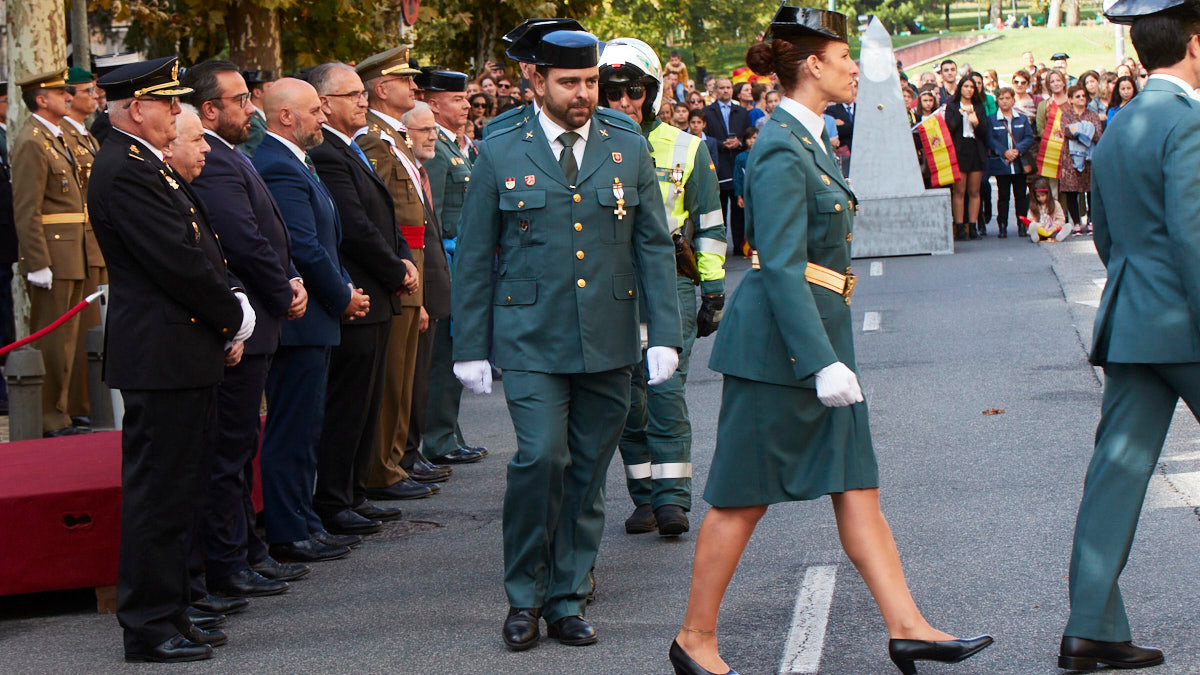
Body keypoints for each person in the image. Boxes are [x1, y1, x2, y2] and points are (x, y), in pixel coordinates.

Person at [672, 8, 992, 675]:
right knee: (741, 495)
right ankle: (695, 639)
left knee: (856, 484)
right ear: (811, 64)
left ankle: (907, 625)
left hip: (818, 333)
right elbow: (781, 264)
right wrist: (820, 361)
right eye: (844, 55)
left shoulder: (812, 138)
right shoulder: (782, 146)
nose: (854, 66)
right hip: (782, 349)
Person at [452, 22, 682, 651]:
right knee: (539, 458)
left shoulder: (625, 143)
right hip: (530, 337)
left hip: (608, 335)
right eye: (569, 82)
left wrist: (665, 332)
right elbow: (475, 254)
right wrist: (470, 345)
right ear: (537, 80)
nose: (583, 93)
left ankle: (568, 597)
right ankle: (523, 597)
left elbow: (652, 244)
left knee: (586, 472)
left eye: (589, 81)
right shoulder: (500, 146)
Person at [90, 55, 253, 663]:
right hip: (162, 353)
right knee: (158, 495)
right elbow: (176, 261)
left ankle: (172, 612)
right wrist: (234, 313)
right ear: (138, 109)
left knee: (176, 491)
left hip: (180, 349)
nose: (179, 114)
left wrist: (227, 305)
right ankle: (149, 624)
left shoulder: (140, 164)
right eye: (170, 104)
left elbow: (195, 247)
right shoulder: (124, 169)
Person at [1060, 1, 1200, 668]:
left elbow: (1109, 240)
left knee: (1115, 475)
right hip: (1183, 323)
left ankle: (1090, 623)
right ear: (1194, 45)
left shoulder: (1120, 125)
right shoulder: (1186, 121)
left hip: (1131, 320)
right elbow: (1193, 237)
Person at [182, 60, 311, 598]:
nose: (249, 107)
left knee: (239, 447)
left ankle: (246, 551)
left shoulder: (229, 153)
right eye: (239, 100)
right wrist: (283, 291)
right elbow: (241, 238)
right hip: (245, 320)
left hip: (260, 314)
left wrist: (293, 276)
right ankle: (229, 562)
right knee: (229, 449)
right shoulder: (210, 159)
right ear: (209, 109)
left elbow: (270, 231)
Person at [600, 37, 726, 537]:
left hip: (670, 278)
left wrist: (713, 290)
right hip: (610, 283)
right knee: (626, 393)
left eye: (634, 91)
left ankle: (673, 499)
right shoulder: (589, 149)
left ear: (652, 93)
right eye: (613, 92)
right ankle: (645, 497)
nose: (624, 101)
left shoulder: (688, 146)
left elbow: (712, 224)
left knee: (664, 388)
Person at [254, 78, 364, 565]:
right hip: (302, 321)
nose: (322, 117)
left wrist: (341, 288)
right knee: (291, 429)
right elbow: (303, 244)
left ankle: (305, 521)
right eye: (314, 111)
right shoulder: (278, 166)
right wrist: (341, 295)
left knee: (308, 426)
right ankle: (288, 530)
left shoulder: (297, 161)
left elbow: (325, 237)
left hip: (315, 318)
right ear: (285, 117)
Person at [307, 62, 418, 535]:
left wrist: (403, 259)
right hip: (357, 293)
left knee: (367, 401)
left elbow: (384, 216)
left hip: (377, 290)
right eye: (352, 95)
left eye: (361, 93)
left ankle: (353, 491)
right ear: (325, 104)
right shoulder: (330, 154)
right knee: (348, 404)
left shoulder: (352, 149)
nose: (363, 101)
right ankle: (335, 497)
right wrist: (395, 269)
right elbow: (353, 228)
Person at [352, 46, 448, 500]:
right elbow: (383, 218)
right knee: (392, 379)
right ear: (381, 89)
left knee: (405, 376)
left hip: (412, 273)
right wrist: (401, 275)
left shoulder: (393, 138)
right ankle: (382, 468)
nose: (414, 86)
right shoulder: (374, 140)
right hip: (400, 274)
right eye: (405, 80)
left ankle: (395, 462)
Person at [11, 69, 90, 438]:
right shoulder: (32, 141)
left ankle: (64, 412)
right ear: (41, 99)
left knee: (69, 340)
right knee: (52, 339)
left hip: (72, 249)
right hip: (53, 254)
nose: (68, 97)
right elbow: (26, 208)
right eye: (60, 92)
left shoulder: (52, 137)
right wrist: (37, 261)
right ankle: (49, 417)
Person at [420, 69, 489, 466]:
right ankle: (439, 438)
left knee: (456, 348)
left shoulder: (459, 147)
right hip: (449, 261)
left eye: (466, 99)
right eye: (457, 99)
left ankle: (450, 431)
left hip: (464, 260)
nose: (465, 105)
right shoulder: (438, 151)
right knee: (445, 353)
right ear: (433, 104)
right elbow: (434, 217)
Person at [60, 66, 106, 428]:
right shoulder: (59, 136)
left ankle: (91, 399)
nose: (95, 95)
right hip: (74, 245)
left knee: (96, 328)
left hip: (92, 241)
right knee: (76, 332)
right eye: (87, 90)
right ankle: (77, 403)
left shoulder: (84, 135)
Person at [702, 77, 750, 251]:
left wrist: (739, 143)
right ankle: (720, 246)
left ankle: (739, 245)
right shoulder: (707, 111)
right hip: (719, 166)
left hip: (737, 166)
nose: (725, 90)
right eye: (722, 88)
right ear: (715, 90)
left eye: (728, 87)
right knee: (719, 210)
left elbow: (749, 135)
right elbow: (705, 136)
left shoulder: (742, 112)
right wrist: (721, 143)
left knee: (739, 209)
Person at [944, 75, 991, 240]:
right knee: (959, 191)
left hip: (975, 150)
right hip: (959, 150)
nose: (969, 89)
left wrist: (976, 122)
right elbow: (950, 126)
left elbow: (985, 132)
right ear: (960, 88)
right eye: (966, 86)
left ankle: (972, 226)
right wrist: (961, 113)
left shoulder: (978, 106)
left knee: (974, 190)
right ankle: (960, 226)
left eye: (972, 87)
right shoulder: (952, 106)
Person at [986, 87, 1035, 238]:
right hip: (1002, 164)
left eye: (1008, 98)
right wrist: (1004, 151)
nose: (1005, 101)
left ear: (1013, 99)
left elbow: (1029, 137)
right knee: (1003, 195)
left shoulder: (1021, 118)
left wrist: (1017, 150)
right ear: (997, 101)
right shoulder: (992, 119)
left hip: (1019, 163)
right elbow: (990, 139)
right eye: (1001, 98)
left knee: (1020, 195)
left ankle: (1021, 225)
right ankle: (1002, 225)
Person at [1058, 84, 1103, 234]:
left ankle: (1091, 220)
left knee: (1090, 190)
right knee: (1072, 190)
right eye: (1078, 96)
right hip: (1070, 157)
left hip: (1089, 158)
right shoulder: (1066, 114)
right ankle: (1076, 222)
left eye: (1083, 96)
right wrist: (1086, 128)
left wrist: (1079, 128)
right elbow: (1066, 131)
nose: (1082, 99)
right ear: (1070, 99)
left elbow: (1097, 134)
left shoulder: (1092, 114)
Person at [1035, 69, 1070, 197]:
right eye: (1052, 81)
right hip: (1051, 152)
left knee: (1072, 188)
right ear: (1048, 85)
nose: (1056, 83)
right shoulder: (1044, 105)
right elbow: (1040, 129)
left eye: (1058, 80)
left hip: (1070, 150)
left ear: (1064, 82)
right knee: (1053, 189)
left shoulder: (1072, 101)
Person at [1024, 177, 1067, 242]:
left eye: (1043, 195)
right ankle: (1035, 237)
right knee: (1033, 228)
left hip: (1052, 230)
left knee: (1061, 229)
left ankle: (1060, 236)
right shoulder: (1034, 206)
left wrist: (1053, 227)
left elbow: (1061, 219)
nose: (1040, 198)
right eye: (1038, 196)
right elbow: (1030, 220)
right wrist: (1039, 226)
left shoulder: (1055, 204)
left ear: (1048, 194)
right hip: (1040, 230)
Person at [731, 126, 756, 213]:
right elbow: (737, 177)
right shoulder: (740, 157)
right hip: (746, 194)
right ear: (745, 140)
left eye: (754, 138)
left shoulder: (763, 155)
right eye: (749, 138)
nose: (752, 141)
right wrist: (739, 196)